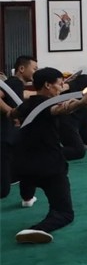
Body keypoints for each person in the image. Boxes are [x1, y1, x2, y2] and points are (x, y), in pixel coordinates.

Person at [11, 67, 87, 244]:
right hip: (49, 167)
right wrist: (82, 103)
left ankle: (27, 198)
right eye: (60, 84)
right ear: (47, 85)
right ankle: (36, 230)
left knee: (28, 178)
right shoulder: (46, 106)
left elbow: (12, 113)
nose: (62, 88)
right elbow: (59, 110)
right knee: (64, 213)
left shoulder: (26, 104)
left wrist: (14, 118)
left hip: (23, 164)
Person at [1, 55, 37, 199]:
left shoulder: (15, 84)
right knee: (3, 191)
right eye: (34, 69)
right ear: (22, 68)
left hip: (8, 135)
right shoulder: (14, 83)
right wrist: (11, 113)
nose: (36, 72)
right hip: (4, 136)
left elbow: (25, 95)